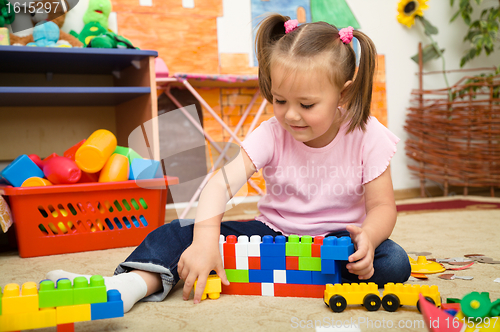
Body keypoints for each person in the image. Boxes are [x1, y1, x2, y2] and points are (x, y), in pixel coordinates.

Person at [46, 13, 411, 313]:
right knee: (179, 232)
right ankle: (129, 286)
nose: (291, 116)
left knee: (393, 261)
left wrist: (368, 237)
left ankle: (322, 271)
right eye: (280, 100)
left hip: (335, 244)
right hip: (273, 237)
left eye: (307, 105)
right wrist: (206, 239)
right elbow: (220, 184)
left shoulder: (369, 135)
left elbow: (381, 206)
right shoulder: (271, 133)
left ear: (343, 92)